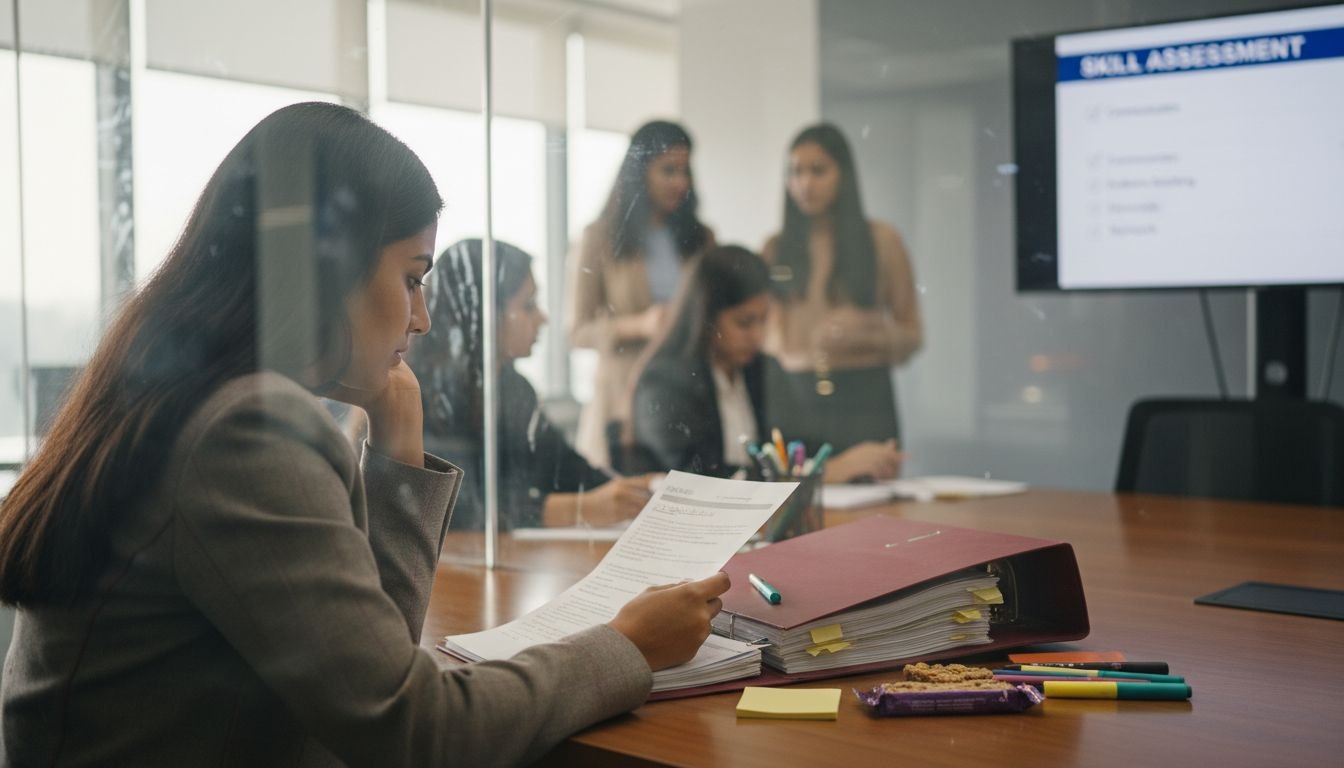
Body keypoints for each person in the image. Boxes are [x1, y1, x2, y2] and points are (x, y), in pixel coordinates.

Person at [0, 102, 728, 767]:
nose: (424, 318)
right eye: (412, 279)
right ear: (329, 270)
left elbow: (371, 665)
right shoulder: (242, 432)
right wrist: (626, 646)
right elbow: (414, 731)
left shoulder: (183, 394)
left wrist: (398, 439)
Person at [410, 238, 655, 530]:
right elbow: (461, 506)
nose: (543, 318)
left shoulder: (513, 388)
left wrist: (639, 490)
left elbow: (564, 465)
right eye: (528, 305)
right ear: (483, 316)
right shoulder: (426, 394)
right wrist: (583, 508)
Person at [631, 245, 904, 482]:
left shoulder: (759, 368)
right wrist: (823, 472)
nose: (759, 336)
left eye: (764, 319)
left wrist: (857, 464)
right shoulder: (665, 383)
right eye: (745, 322)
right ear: (706, 319)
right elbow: (699, 480)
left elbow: (795, 446)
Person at [762, 123, 923, 452]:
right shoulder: (774, 248)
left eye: (818, 171)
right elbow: (759, 335)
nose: (805, 184)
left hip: (864, 395)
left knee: (876, 497)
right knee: (797, 497)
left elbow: (912, 334)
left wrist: (868, 331)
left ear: (843, 174)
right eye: (795, 172)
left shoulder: (881, 240)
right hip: (794, 394)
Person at [567, 120, 715, 467]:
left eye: (685, 170)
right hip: (624, 401)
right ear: (638, 171)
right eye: (668, 170)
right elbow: (577, 332)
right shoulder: (598, 238)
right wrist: (640, 325)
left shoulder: (701, 239)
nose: (681, 182)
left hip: (688, 393)